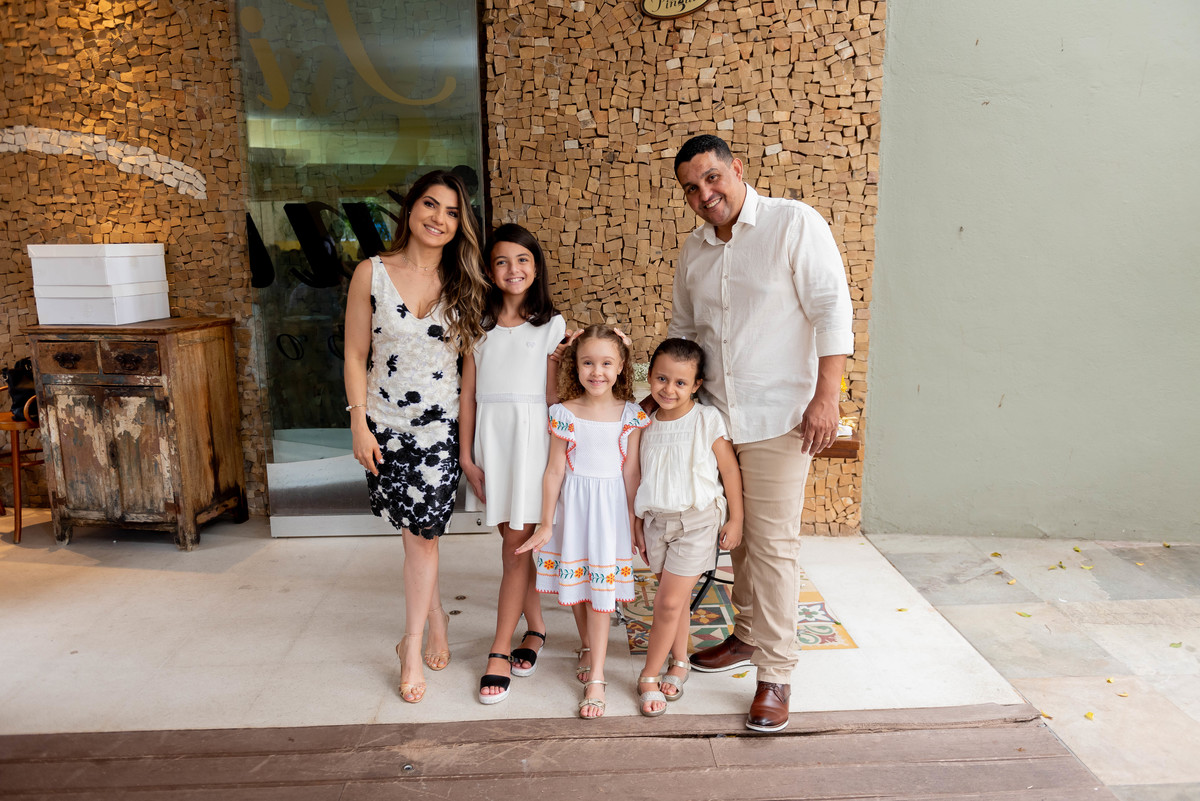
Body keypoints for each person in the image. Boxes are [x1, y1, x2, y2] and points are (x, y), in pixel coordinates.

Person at [667, 134, 854, 732]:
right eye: (691, 188)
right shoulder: (695, 249)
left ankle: (776, 673)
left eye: (712, 177)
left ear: (737, 169)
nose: (704, 194)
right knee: (738, 538)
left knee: (772, 545)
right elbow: (685, 331)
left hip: (780, 417)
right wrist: (671, 401)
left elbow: (832, 310)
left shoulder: (793, 223)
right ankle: (747, 633)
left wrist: (826, 397)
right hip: (717, 419)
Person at [343, 170, 487, 704]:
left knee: (423, 536)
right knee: (416, 535)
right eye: (430, 205)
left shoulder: (467, 283)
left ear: (460, 224)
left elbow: (473, 371)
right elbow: (355, 353)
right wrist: (358, 422)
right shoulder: (371, 273)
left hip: (439, 432)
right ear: (410, 209)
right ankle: (436, 617)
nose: (439, 219)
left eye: (452, 212)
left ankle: (410, 644)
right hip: (384, 428)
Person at [516, 325, 650, 719]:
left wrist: (634, 521)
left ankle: (597, 678)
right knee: (578, 585)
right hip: (573, 510)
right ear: (575, 366)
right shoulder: (564, 413)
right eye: (588, 362)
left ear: (621, 367)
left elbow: (631, 472)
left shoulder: (632, 414)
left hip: (611, 512)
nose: (597, 371)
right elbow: (554, 471)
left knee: (601, 593)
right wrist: (545, 523)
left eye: (607, 363)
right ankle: (589, 645)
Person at [459, 223, 566, 705]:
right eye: (501, 261)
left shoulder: (552, 326)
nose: (513, 269)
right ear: (489, 270)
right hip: (492, 444)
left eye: (522, 260)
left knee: (515, 550)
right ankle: (536, 628)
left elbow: (553, 397)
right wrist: (467, 456)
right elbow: (467, 396)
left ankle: (499, 650)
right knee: (515, 544)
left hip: (532, 444)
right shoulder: (477, 326)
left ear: (536, 268)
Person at [632, 338, 744, 717]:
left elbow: (729, 471)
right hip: (656, 521)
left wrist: (736, 518)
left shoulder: (706, 420)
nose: (669, 389)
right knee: (674, 600)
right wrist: (637, 523)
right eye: (661, 379)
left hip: (697, 521)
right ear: (649, 376)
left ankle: (648, 675)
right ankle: (680, 661)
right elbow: (637, 476)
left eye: (681, 382)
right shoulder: (642, 423)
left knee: (666, 603)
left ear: (696, 385)